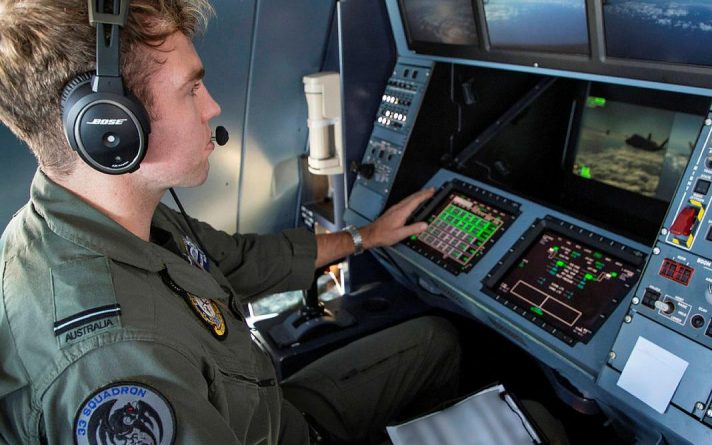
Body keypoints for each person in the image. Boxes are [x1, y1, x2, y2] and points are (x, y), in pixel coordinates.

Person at [0, 1, 462, 444]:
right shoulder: (114, 363)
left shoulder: (107, 221)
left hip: (276, 413)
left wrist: (366, 236)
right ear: (111, 129)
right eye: (191, 89)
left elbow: (243, 261)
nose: (212, 107)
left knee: (439, 340)